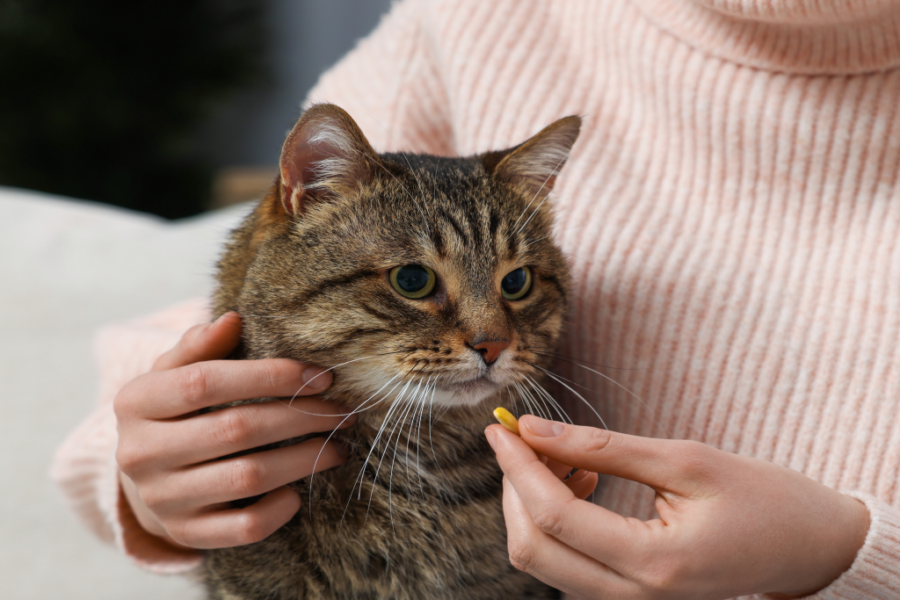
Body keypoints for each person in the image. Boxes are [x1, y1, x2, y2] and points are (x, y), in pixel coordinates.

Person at [53, 0, 900, 597]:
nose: (491, 338)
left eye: (516, 287)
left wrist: (847, 559)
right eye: (418, 284)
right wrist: (154, 466)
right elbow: (239, 306)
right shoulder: (477, 15)